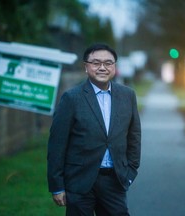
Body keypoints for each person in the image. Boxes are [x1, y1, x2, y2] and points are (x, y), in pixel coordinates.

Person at [47, 43, 141, 216]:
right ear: (86, 67)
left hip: (114, 181)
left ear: (114, 67)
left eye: (108, 63)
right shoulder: (71, 98)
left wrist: (130, 172)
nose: (102, 67)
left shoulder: (127, 95)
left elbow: (134, 137)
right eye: (96, 63)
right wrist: (57, 186)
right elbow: (57, 144)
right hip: (79, 181)